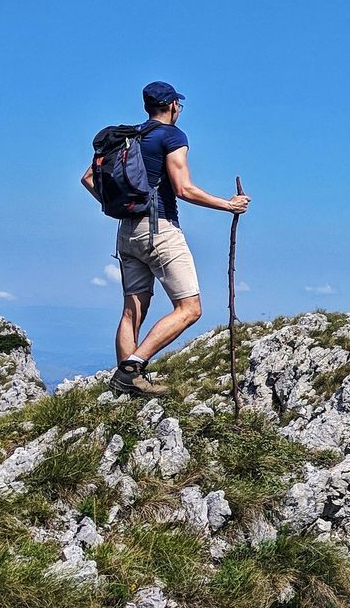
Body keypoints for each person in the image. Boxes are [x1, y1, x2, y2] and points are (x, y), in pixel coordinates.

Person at [81, 81, 251, 396]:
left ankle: (125, 388)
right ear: (173, 106)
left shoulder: (129, 137)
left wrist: (117, 208)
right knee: (190, 308)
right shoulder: (171, 136)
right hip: (159, 229)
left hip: (126, 231)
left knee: (132, 310)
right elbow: (183, 188)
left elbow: (88, 178)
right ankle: (132, 370)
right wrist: (229, 205)